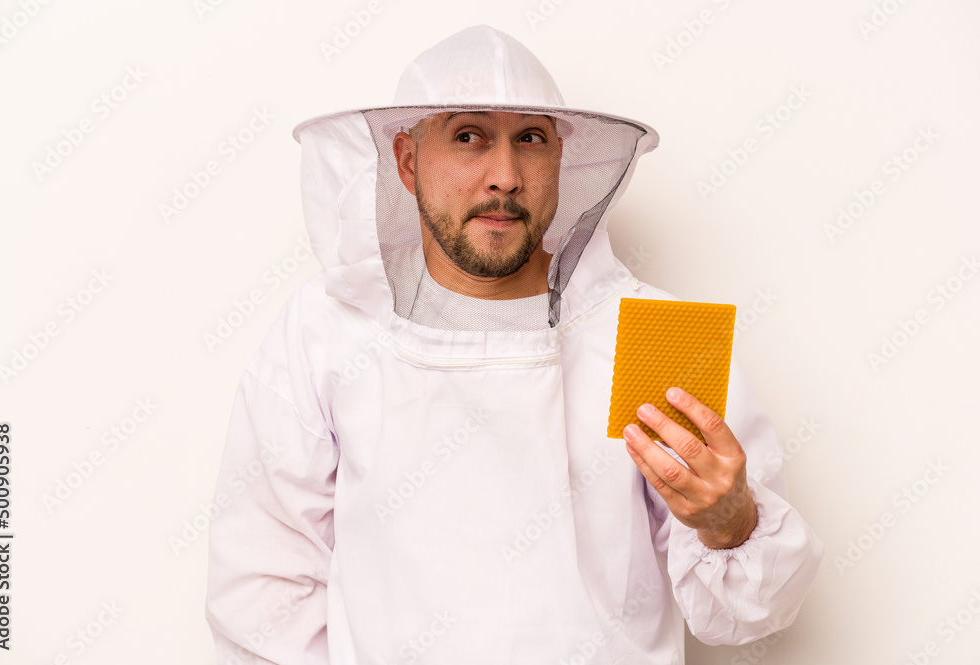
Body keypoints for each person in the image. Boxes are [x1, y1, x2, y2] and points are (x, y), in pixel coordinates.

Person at [205, 25, 823, 664]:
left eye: (529, 139)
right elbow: (263, 586)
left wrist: (731, 523)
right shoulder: (327, 327)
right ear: (407, 161)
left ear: (560, 158)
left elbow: (744, 615)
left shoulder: (652, 334)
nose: (504, 177)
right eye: (468, 136)